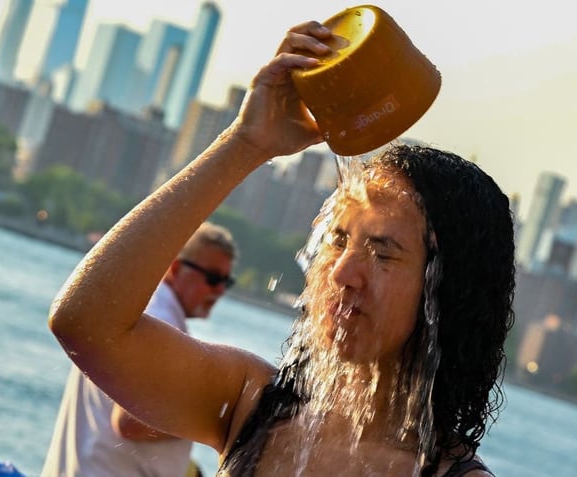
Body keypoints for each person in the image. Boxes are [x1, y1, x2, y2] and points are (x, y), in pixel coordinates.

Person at [47, 20, 514, 477]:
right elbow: (86, 322)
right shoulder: (251, 404)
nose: (342, 272)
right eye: (337, 239)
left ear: (448, 292)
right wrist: (246, 143)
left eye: (383, 251)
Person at [42, 222, 238, 476]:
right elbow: (131, 423)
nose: (219, 290)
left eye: (226, 282)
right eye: (212, 279)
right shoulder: (160, 322)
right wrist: (220, 418)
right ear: (175, 268)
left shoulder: (134, 310)